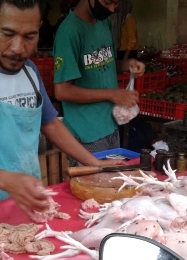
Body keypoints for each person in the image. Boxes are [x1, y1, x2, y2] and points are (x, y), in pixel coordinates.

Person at [0, 0, 125, 216]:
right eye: (8, 34)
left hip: (30, 207)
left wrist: (94, 163)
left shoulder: (30, 71)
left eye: (29, 37)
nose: (18, 49)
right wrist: (6, 181)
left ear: (39, 28)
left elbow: (49, 123)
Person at [53, 0, 146, 166]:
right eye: (108, 2)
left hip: (110, 125)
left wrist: (128, 64)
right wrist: (113, 95)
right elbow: (62, 91)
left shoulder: (104, 23)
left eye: (116, 4)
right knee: (92, 187)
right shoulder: (69, 32)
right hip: (86, 133)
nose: (111, 9)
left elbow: (107, 64)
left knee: (111, 185)